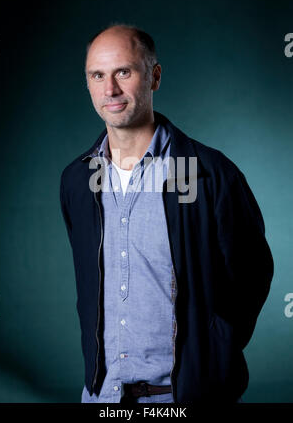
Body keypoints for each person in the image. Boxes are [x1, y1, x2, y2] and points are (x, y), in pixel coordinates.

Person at [59, 24, 274, 404]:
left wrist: (216, 346)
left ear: (154, 76)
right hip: (101, 397)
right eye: (98, 75)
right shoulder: (77, 180)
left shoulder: (209, 173)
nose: (110, 90)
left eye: (124, 72)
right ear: (88, 83)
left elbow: (253, 271)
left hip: (183, 397)